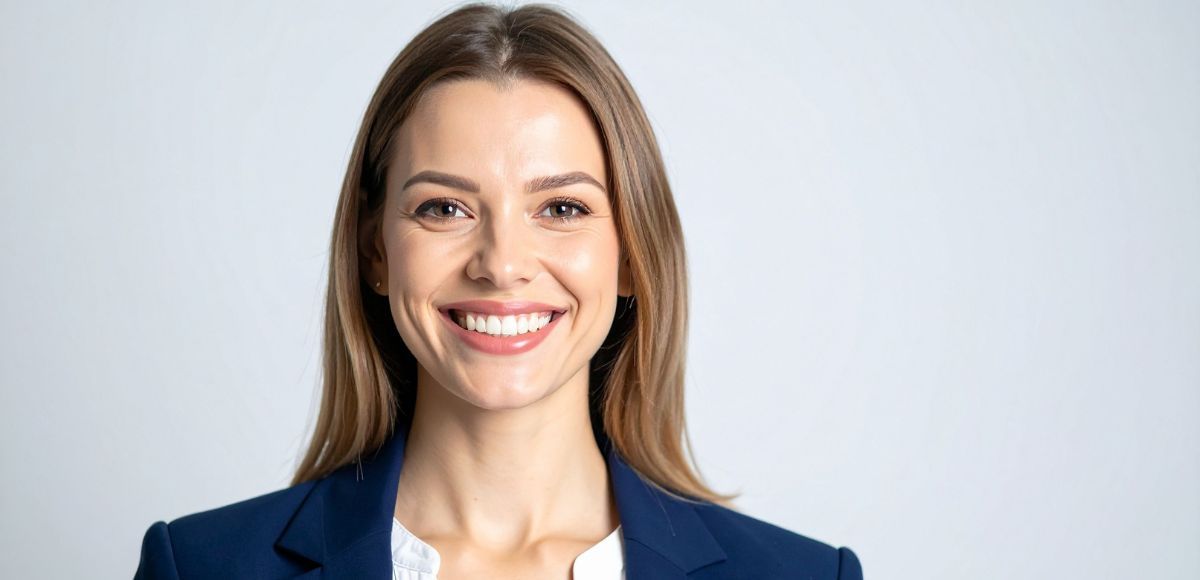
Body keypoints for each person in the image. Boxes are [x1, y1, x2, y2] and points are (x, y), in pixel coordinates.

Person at [133, 3, 863, 579]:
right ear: (375, 252)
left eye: (562, 208)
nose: (502, 263)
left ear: (632, 256)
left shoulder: (804, 576)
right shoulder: (198, 567)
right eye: (444, 208)